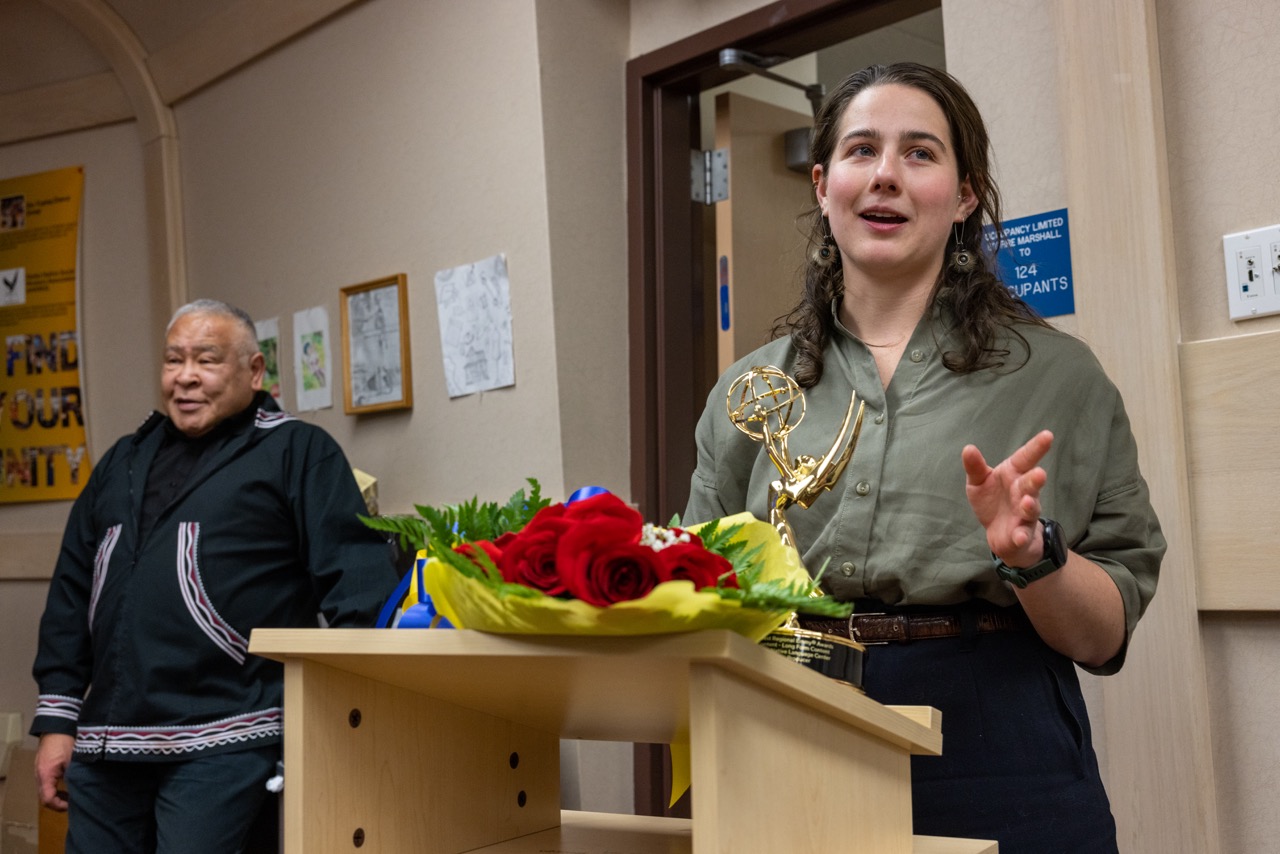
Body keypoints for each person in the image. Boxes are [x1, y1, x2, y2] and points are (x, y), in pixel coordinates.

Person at [684, 63, 1163, 852]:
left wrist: (1033, 556)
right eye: (862, 150)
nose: (885, 177)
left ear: (965, 195)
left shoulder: (1061, 377)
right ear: (822, 181)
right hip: (788, 721)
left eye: (920, 154)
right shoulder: (748, 391)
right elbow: (698, 595)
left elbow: (1103, 636)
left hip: (996, 739)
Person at [31, 299, 398, 853]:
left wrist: (350, 720)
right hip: (109, 739)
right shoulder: (122, 461)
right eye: (173, 360)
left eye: (207, 360)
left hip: (228, 735)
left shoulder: (297, 450)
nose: (185, 377)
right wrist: (58, 723)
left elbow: (360, 587)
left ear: (253, 372)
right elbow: (72, 591)